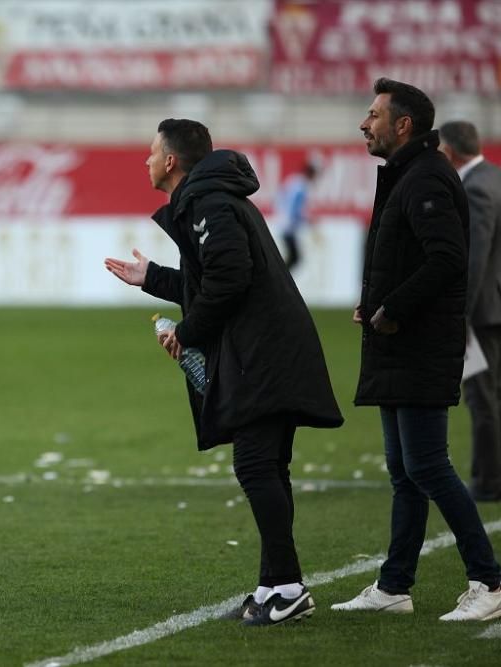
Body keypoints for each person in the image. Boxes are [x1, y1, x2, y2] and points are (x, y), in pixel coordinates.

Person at [104, 119, 343, 627]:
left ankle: (290, 587)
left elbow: (230, 278)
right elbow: (211, 278)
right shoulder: (211, 197)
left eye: (151, 153)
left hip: (264, 353)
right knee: (268, 466)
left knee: (256, 467)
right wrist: (151, 278)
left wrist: (187, 332)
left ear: (171, 161)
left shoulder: (208, 202)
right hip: (270, 348)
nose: (145, 161)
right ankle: (274, 584)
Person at [332, 79, 501, 621]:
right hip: (397, 345)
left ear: (403, 125)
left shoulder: (427, 177)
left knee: (427, 466)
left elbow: (447, 258)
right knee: (406, 471)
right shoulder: (409, 175)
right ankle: (394, 587)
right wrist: (375, 303)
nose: (364, 123)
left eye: (373, 115)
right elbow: (408, 257)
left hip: (418, 344)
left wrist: (393, 308)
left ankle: (490, 581)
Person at [439, 120, 501, 503]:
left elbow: (475, 259)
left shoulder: (475, 188)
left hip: (481, 311)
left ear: (449, 151)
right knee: (494, 394)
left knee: (481, 397)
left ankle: (489, 480)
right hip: (495, 305)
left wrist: (459, 315)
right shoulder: (494, 177)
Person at [274, 161, 318, 271]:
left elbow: (280, 198)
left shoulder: (293, 181)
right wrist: (307, 219)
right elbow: (295, 208)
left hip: (284, 224)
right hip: (288, 226)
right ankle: (280, 281)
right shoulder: (301, 186)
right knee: (295, 257)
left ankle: (281, 280)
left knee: (293, 257)